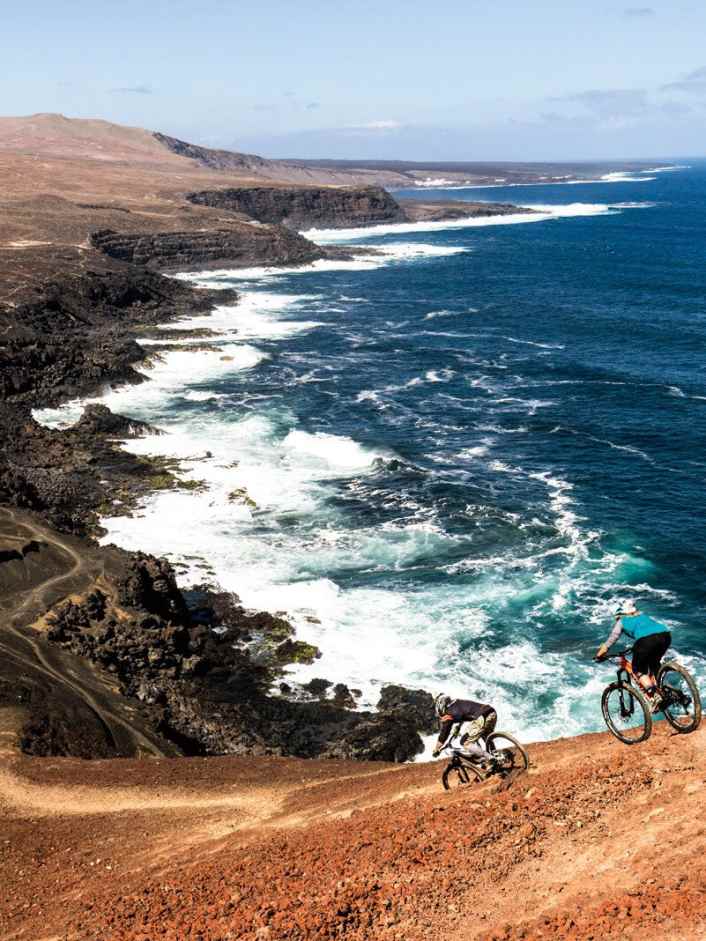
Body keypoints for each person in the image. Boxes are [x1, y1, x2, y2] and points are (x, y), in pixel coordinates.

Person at [596, 598, 672, 709]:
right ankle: (673, 693)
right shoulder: (642, 616)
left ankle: (656, 695)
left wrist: (600, 654)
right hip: (665, 636)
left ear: (620, 614)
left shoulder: (622, 621)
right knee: (654, 664)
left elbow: (612, 639)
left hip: (646, 641)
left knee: (638, 670)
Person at [431, 693, 497, 760]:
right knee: (485, 735)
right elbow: (464, 715)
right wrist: (458, 729)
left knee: (464, 742)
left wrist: (437, 748)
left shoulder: (448, 713)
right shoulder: (458, 703)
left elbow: (444, 734)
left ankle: (491, 758)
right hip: (491, 712)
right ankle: (496, 755)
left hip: (482, 717)